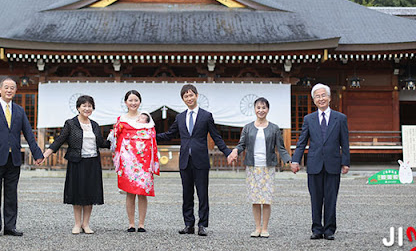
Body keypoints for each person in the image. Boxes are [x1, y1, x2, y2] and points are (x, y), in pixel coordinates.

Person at [157, 84, 231, 236]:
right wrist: (150, 136)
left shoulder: (206, 116)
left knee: (202, 193)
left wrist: (227, 152)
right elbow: (169, 134)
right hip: (185, 160)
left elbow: (216, 136)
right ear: (183, 99)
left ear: (196, 96)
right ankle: (188, 224)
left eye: (191, 95)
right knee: (187, 194)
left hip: (201, 160)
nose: (189, 98)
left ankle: (202, 225)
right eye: (186, 96)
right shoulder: (180, 117)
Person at [0, 77, 44, 238]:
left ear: (15, 91)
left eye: (12, 88)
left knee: (11, 193)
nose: (9, 90)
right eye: (6, 87)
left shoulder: (19, 110)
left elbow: (28, 133)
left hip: (13, 157)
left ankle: (10, 226)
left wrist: (37, 154)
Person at [42, 95, 111, 234]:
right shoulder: (70, 123)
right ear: (78, 108)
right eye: (84, 106)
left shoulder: (95, 125)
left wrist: (116, 139)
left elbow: (102, 143)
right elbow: (60, 140)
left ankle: (86, 224)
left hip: (92, 162)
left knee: (90, 193)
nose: (87, 108)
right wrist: (45, 155)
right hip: (76, 162)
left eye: (89, 106)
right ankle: (77, 224)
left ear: (93, 108)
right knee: (77, 193)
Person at [291, 83, 350, 241]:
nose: (321, 98)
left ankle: (330, 229)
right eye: (317, 96)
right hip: (314, 164)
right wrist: (295, 160)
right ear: (313, 100)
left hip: (333, 163)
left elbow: (345, 142)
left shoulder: (340, 118)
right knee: (315, 198)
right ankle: (317, 228)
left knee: (331, 198)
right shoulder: (309, 119)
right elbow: (302, 141)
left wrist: (346, 162)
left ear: (329, 98)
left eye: (324, 95)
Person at [227, 97, 291, 238]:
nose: (261, 110)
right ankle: (257, 228)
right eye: (258, 108)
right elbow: (241, 144)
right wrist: (234, 152)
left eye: (263, 108)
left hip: (267, 167)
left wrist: (290, 161)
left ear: (268, 110)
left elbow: (281, 147)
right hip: (252, 167)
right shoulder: (248, 127)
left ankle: (265, 228)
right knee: (255, 199)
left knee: (266, 199)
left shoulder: (274, 128)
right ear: (254, 109)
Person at [111, 90, 160, 233]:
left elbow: (151, 136)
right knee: (129, 192)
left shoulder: (146, 119)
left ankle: (142, 224)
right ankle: (131, 223)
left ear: (140, 102)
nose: (133, 103)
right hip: (127, 160)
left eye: (136, 100)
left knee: (142, 192)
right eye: (130, 100)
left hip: (143, 160)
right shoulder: (121, 119)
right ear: (125, 102)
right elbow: (115, 137)